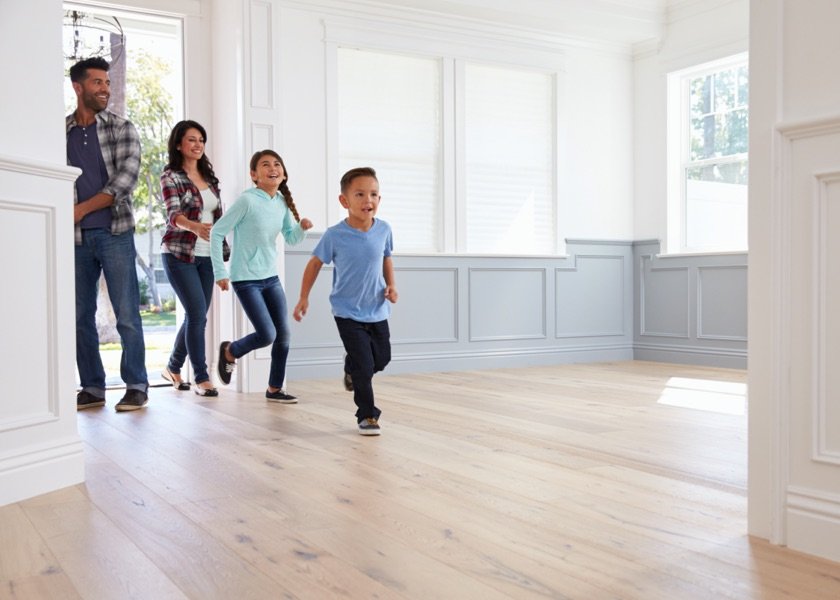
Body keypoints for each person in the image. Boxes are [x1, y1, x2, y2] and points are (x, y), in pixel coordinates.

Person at [67, 56, 149, 412]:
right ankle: (92, 387)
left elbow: (124, 182)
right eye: (98, 83)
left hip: (115, 232)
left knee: (127, 313)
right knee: (79, 315)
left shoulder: (121, 128)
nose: (105, 89)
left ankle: (136, 384)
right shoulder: (61, 132)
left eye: (107, 83)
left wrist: (80, 211)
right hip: (74, 240)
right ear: (78, 87)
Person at [293, 167, 398, 436]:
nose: (368, 200)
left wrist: (392, 286)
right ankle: (367, 415)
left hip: (377, 309)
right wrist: (304, 297)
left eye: (373, 194)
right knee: (365, 366)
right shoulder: (335, 235)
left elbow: (386, 258)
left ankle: (351, 367)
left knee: (381, 359)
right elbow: (314, 263)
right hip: (347, 312)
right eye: (360, 194)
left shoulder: (384, 229)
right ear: (344, 201)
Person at [210, 150, 313, 403]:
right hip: (245, 278)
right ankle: (230, 351)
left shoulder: (280, 202)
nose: (272, 168)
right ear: (254, 175)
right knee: (267, 334)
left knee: (284, 336)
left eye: (277, 164)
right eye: (265, 165)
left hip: (270, 277)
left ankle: (275, 389)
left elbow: (290, 237)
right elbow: (216, 232)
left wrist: (302, 228)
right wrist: (220, 272)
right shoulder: (247, 201)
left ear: (283, 173)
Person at [159, 120, 229, 397]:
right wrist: (195, 227)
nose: (198, 144)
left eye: (201, 139)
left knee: (195, 316)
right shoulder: (171, 176)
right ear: (179, 144)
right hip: (179, 253)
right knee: (198, 315)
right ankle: (201, 377)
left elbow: (219, 219)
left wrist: (221, 258)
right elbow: (173, 215)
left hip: (208, 256)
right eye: (191, 139)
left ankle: (173, 368)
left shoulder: (210, 179)